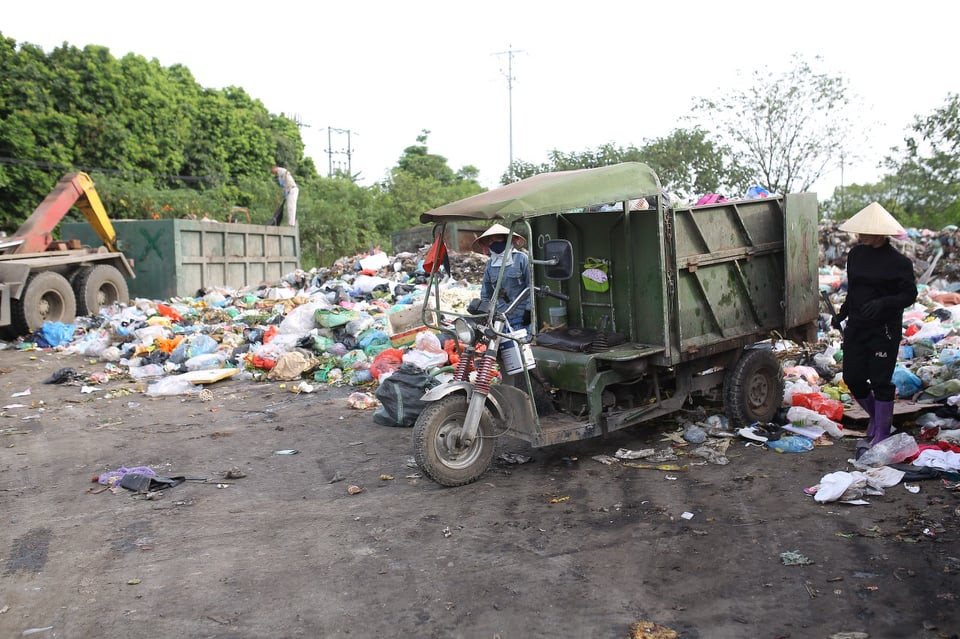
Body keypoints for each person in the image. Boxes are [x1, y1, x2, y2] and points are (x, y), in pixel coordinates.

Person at [832, 202, 917, 457]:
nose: (860, 235)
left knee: (880, 381)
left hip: (884, 329)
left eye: (866, 231)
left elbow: (909, 294)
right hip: (857, 325)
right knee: (853, 377)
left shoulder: (899, 262)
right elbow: (854, 289)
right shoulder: (856, 255)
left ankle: (881, 432)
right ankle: (878, 419)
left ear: (881, 234)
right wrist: (843, 312)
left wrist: (883, 303)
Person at [473, 224, 531, 331]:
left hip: (521, 317)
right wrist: (485, 313)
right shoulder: (490, 265)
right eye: (490, 241)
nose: (494, 243)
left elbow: (531, 286)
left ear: (506, 239)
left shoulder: (521, 259)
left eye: (498, 239)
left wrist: (529, 310)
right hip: (500, 318)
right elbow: (487, 293)